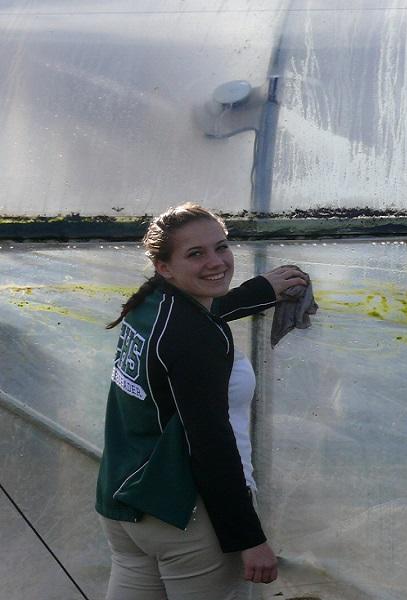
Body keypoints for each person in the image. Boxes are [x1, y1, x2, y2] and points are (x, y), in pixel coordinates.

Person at [95, 203, 307, 599]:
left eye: (222, 247)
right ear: (164, 267)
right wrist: (248, 537)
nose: (217, 261)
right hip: (181, 513)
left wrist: (259, 290)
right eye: (196, 254)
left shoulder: (149, 306)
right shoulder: (192, 337)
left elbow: (202, 314)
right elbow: (209, 444)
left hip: (124, 506)